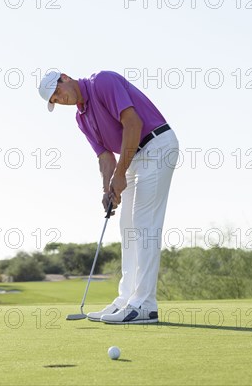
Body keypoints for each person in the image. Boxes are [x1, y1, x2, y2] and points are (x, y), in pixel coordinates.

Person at [38, 70, 179, 324]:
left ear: (65, 78)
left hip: (156, 146)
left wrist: (120, 175)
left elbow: (133, 124)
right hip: (135, 157)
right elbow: (105, 158)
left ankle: (145, 305)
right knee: (128, 227)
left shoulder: (102, 82)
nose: (60, 99)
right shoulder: (81, 119)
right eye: (55, 101)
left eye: (58, 92)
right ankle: (126, 300)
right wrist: (108, 190)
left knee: (143, 225)